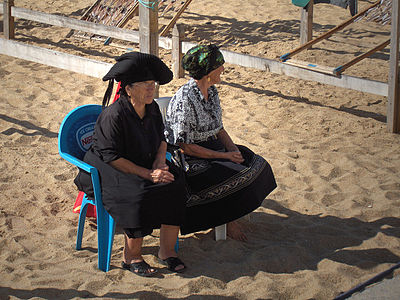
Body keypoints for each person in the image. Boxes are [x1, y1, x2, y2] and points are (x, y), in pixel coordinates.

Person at [74, 52, 187, 276]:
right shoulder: (113, 115)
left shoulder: (152, 108)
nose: (151, 89)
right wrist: (148, 174)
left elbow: (162, 139)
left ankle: (166, 251)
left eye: (152, 84)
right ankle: (131, 256)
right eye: (145, 84)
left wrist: (158, 163)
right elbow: (112, 157)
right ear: (128, 89)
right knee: (136, 191)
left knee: (176, 182)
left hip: (140, 159)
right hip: (106, 166)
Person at [164, 44, 277, 241]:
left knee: (257, 164)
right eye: (219, 66)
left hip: (213, 146)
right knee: (232, 174)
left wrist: (232, 149)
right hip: (190, 157)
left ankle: (233, 214)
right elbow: (185, 145)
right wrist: (224, 156)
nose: (223, 69)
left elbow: (220, 128)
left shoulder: (212, 92)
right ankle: (229, 222)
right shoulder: (185, 99)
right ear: (208, 72)